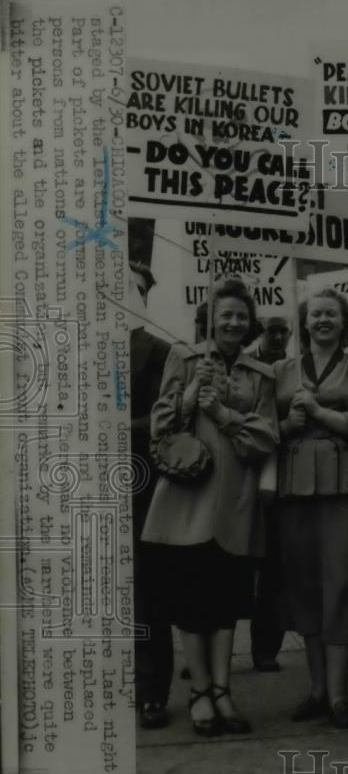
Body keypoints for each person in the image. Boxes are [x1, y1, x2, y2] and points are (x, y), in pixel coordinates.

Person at [141, 277, 279, 737]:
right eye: (226, 315)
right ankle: (200, 692)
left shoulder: (261, 375)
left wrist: (222, 412)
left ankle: (223, 690)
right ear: (210, 318)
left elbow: (265, 438)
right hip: (186, 501)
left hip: (236, 502)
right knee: (189, 603)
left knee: (226, 603)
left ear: (250, 323)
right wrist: (188, 395)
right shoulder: (184, 358)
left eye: (242, 316)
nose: (234, 322)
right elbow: (159, 427)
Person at [275, 288, 348, 729]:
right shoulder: (281, 370)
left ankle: (339, 696)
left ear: (345, 323)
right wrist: (287, 424)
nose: (322, 320)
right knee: (304, 587)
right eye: (315, 314)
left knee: (341, 586)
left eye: (331, 315)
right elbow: (262, 429)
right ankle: (316, 689)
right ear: (304, 321)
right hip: (294, 489)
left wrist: (318, 412)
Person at [127, 230, 174, 730]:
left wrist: (113, 427)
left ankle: (151, 691)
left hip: (143, 484)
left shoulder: (159, 350)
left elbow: (164, 414)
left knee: (146, 593)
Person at [250, 315, 292, 673]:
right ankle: (211, 633)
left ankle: (266, 648)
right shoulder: (246, 365)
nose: (278, 336)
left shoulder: (294, 369)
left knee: (274, 568)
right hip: (243, 473)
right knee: (233, 567)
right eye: (272, 331)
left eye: (284, 331)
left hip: (279, 478)